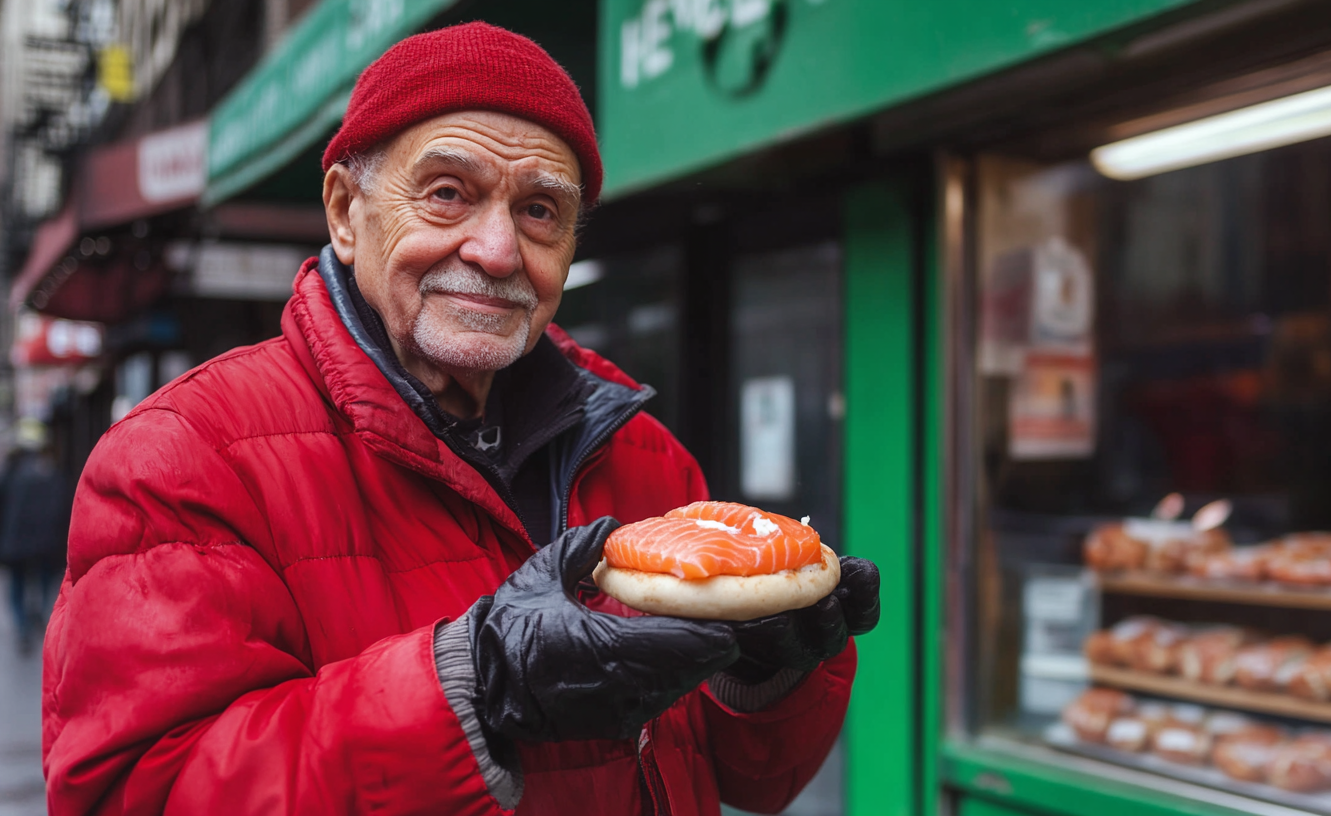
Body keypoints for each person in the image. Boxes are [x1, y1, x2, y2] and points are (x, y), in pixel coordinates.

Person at [42, 22, 879, 816]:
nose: (497, 249)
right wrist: (474, 690)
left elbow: (751, 777)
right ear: (344, 211)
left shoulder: (645, 457)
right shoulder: (179, 458)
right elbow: (142, 795)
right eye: (448, 193)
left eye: (540, 211)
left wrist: (765, 679)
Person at [0, 418, 68, 654]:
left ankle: (22, 628)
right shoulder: (52, 472)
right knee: (42, 581)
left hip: (15, 542)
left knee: (18, 586)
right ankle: (40, 617)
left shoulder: (11, 471)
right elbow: (62, 507)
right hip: (45, 543)